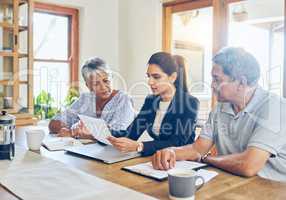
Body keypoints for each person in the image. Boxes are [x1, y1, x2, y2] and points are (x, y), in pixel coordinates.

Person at [151, 47, 286, 182]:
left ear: (241, 83)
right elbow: (197, 148)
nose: (212, 85)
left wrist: (207, 159)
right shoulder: (221, 107)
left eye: (217, 79)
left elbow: (248, 165)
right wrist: (171, 152)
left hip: (272, 188)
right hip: (232, 181)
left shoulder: (275, 107)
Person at [107, 52, 199, 156]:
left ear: (172, 77)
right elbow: (131, 133)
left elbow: (177, 142)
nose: (150, 82)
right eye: (148, 76)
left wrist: (140, 146)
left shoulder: (190, 103)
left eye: (156, 77)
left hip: (181, 161)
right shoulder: (150, 101)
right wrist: (103, 134)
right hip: (156, 159)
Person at [48, 57, 135, 138]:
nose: (103, 87)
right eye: (96, 84)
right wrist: (64, 129)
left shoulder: (123, 99)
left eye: (106, 81)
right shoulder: (85, 99)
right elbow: (54, 122)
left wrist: (74, 133)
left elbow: (116, 133)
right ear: (88, 86)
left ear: (111, 78)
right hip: (88, 151)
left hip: (118, 153)